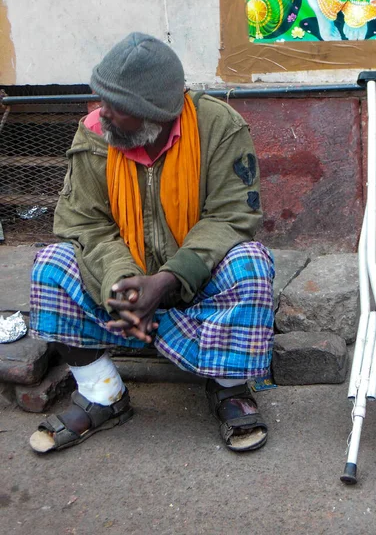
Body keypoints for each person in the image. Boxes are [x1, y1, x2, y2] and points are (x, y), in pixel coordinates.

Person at [28, 33, 275, 454]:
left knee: (251, 265)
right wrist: (121, 283)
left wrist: (167, 280)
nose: (100, 111)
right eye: (100, 96)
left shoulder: (219, 128)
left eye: (114, 105)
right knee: (51, 266)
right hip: (121, 281)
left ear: (154, 115)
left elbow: (232, 217)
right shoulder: (94, 134)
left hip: (195, 281)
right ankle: (104, 393)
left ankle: (228, 388)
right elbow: (84, 223)